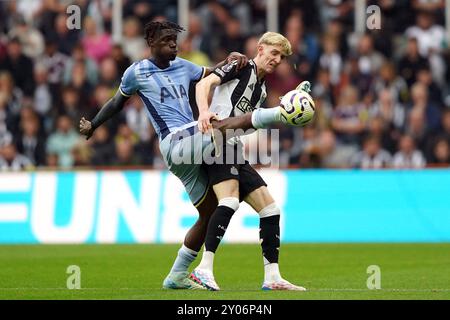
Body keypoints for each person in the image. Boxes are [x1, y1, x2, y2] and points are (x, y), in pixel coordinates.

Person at [78, 21, 286, 290]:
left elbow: (216, 73)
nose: (174, 45)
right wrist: (94, 124)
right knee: (216, 125)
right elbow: (117, 102)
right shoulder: (136, 72)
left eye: (175, 40)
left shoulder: (185, 66)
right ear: (151, 41)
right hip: (174, 142)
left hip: (191, 149)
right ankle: (280, 115)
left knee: (210, 212)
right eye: (167, 40)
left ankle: (176, 275)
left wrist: (232, 59)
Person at [189, 32, 307, 291]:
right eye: (274, 53)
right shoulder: (241, 66)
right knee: (229, 200)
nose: (277, 60)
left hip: (234, 147)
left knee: (270, 209)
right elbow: (203, 84)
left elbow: (246, 125)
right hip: (216, 141)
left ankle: (272, 277)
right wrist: (204, 112)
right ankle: (202, 269)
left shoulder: (262, 89)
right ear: (260, 49)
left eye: (282, 57)